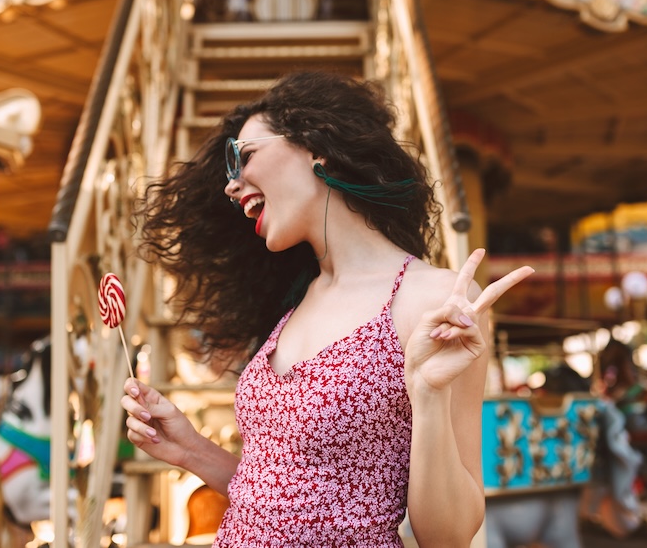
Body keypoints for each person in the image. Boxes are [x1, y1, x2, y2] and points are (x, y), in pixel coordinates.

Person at [121, 71, 533, 546]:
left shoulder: (430, 300)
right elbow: (285, 498)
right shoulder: (297, 302)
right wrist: (190, 448)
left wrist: (428, 396)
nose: (231, 188)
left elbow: (449, 536)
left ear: (319, 148)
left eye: (245, 157)